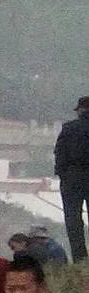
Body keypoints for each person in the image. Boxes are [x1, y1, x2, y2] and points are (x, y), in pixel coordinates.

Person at [59, 95, 89, 268]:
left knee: (73, 220)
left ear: (81, 110)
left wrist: (64, 176)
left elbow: (60, 155)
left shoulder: (69, 128)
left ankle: (80, 258)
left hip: (72, 178)